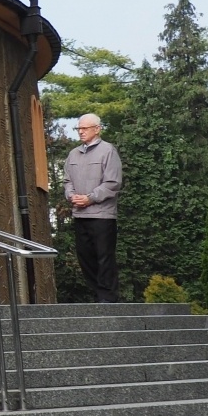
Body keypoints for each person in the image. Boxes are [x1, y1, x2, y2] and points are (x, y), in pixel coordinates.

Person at [64, 113, 122, 303]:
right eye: (78, 129)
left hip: (102, 215)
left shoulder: (108, 151)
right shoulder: (73, 154)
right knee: (85, 257)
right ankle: (97, 294)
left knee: (104, 257)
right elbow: (67, 181)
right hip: (80, 214)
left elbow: (112, 183)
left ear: (97, 129)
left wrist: (90, 198)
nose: (80, 132)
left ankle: (108, 298)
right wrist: (72, 196)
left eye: (85, 128)